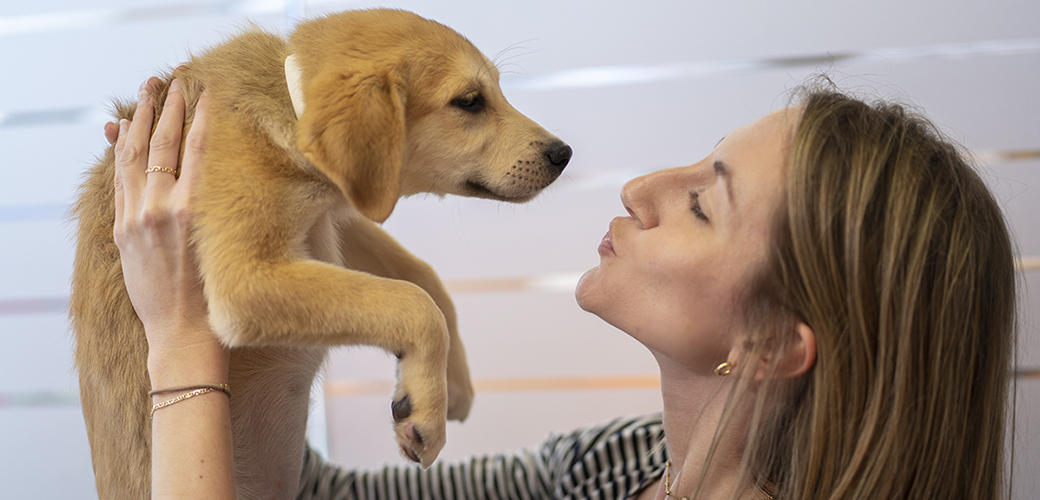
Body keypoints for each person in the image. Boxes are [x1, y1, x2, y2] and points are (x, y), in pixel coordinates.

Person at [109, 74, 1016, 500]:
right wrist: (268, 225)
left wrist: (184, 346)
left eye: (703, 202)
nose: (640, 188)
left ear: (774, 342)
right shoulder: (617, 469)